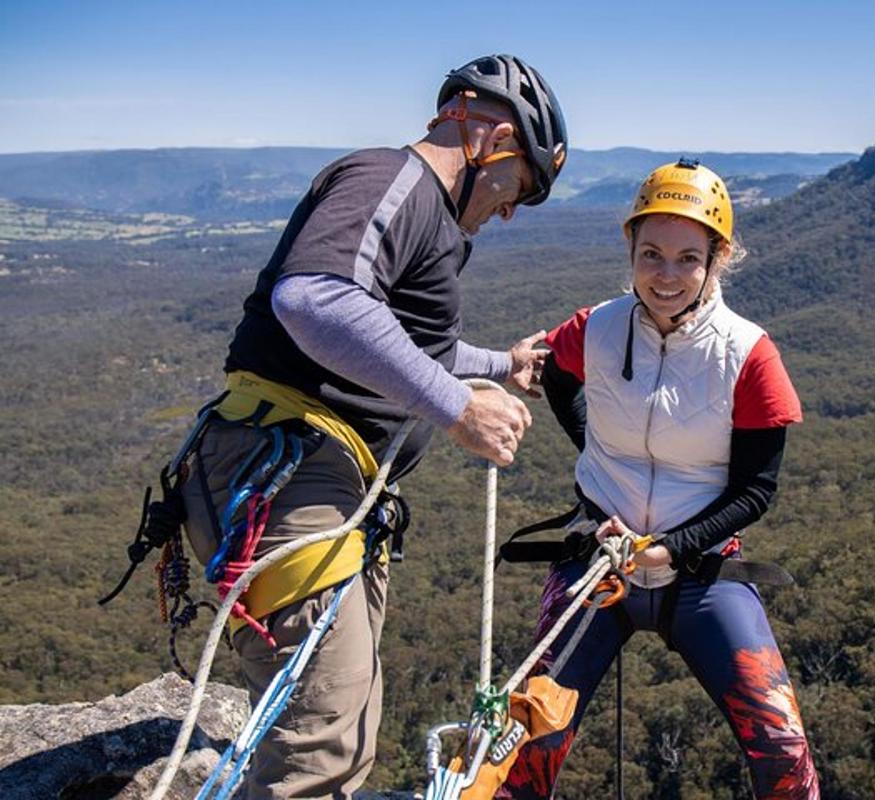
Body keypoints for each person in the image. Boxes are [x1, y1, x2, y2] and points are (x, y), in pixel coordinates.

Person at [176, 54, 567, 798]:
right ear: (494, 138)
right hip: (293, 469)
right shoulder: (393, 178)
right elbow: (317, 299)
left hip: (312, 475)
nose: (510, 211)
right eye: (519, 189)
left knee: (344, 729)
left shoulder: (425, 214)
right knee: (320, 744)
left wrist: (495, 367)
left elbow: (401, 339)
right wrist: (457, 409)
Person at [496, 160, 820, 799]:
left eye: (687, 259)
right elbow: (557, 376)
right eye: (652, 254)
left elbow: (757, 489)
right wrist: (597, 457)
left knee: (783, 747)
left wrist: (676, 545)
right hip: (598, 559)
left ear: (716, 260)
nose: (666, 276)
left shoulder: (750, 355)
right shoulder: (597, 328)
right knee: (525, 742)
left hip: (700, 573)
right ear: (631, 249)